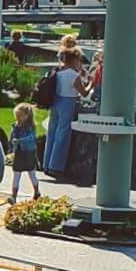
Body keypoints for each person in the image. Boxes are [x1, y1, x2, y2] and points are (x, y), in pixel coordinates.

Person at [44, 43, 85, 176]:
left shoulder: (58, 72)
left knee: (52, 132)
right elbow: (84, 92)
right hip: (67, 102)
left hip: (55, 100)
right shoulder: (74, 75)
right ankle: (55, 166)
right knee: (63, 134)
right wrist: (89, 82)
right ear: (74, 60)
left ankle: (46, 163)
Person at [7, 102, 41, 202]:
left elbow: (31, 137)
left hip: (29, 152)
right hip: (19, 153)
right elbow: (12, 137)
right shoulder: (16, 126)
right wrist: (11, 142)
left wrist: (20, 140)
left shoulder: (30, 127)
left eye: (20, 116)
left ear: (27, 116)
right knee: (16, 174)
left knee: (32, 174)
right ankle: (13, 195)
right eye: (16, 116)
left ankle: (36, 191)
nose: (18, 118)